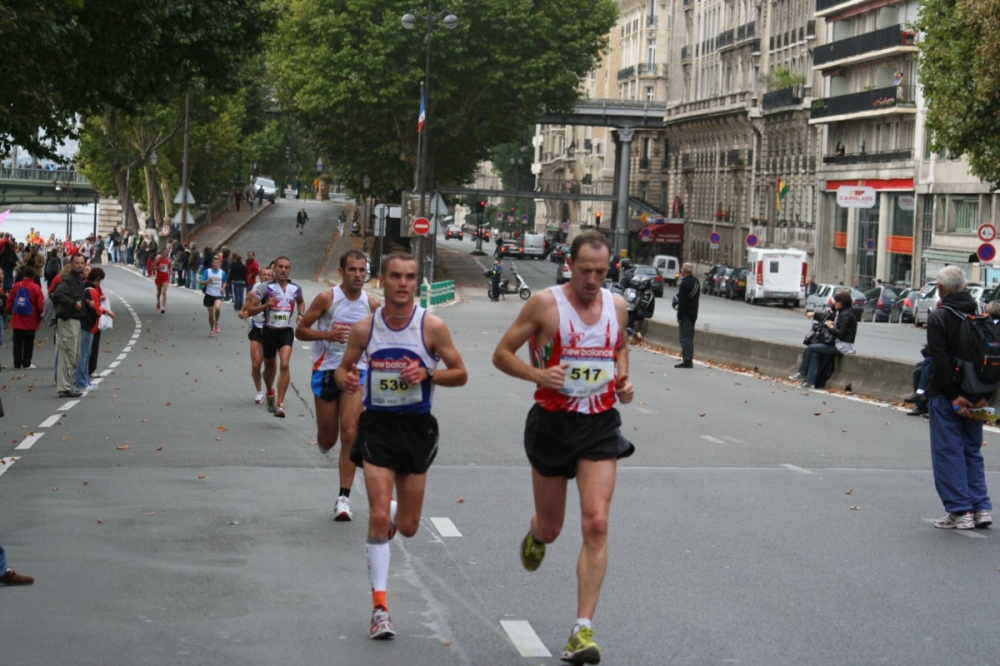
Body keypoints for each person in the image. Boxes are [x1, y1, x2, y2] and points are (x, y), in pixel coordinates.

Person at [492, 231, 634, 665]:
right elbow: (502, 354)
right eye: (585, 270)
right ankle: (537, 532)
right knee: (553, 528)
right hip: (552, 424)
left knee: (597, 522)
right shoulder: (544, 305)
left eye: (601, 272)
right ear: (569, 265)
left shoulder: (617, 306)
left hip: (599, 423)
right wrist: (538, 376)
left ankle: (581, 629)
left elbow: (620, 347)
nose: (592, 279)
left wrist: (623, 380)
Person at [334, 252, 467, 640]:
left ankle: (395, 511)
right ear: (383, 280)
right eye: (396, 276)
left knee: (407, 527)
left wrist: (427, 373)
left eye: (410, 277)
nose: (403, 283)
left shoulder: (432, 327)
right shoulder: (365, 329)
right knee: (377, 518)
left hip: (416, 428)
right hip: (377, 427)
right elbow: (344, 367)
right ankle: (380, 608)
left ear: (416, 282)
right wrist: (346, 379)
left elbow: (460, 373)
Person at [296, 250, 381, 521]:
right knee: (328, 439)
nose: (358, 274)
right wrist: (327, 334)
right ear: (342, 271)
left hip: (356, 373)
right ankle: (324, 439)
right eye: (352, 269)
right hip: (326, 371)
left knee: (351, 432)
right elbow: (300, 331)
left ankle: (343, 499)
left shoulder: (373, 304)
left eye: (362, 270)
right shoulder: (327, 298)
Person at [925, 266, 993, 530]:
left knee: (948, 452)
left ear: (940, 289)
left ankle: (960, 510)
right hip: (979, 394)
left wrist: (954, 396)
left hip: (948, 396)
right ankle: (981, 509)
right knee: (972, 451)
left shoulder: (940, 316)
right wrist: (986, 395)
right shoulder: (982, 313)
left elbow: (940, 360)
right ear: (965, 287)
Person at [243, 257, 304, 418]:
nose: (283, 270)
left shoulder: (296, 288)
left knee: (284, 364)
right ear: (275, 269)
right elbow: (250, 310)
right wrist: (266, 305)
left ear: (290, 270)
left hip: (286, 331)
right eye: (280, 267)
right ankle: (270, 392)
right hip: (269, 332)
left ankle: (280, 404)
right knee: (269, 369)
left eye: (286, 267)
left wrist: (301, 313)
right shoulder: (265, 288)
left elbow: (301, 301)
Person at [790, 289, 857, 389]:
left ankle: (803, 373)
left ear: (842, 302)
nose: (834, 303)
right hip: (838, 343)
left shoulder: (846, 314)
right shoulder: (842, 312)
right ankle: (810, 382)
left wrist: (831, 326)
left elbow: (841, 334)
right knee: (815, 354)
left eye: (836, 301)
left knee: (811, 348)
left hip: (842, 346)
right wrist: (832, 324)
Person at [50, 254, 89, 398]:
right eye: (77, 263)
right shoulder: (68, 279)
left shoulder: (78, 279)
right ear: (71, 264)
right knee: (67, 353)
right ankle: (65, 388)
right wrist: (73, 303)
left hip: (75, 319)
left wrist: (84, 303)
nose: (80, 265)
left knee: (74, 354)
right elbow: (57, 293)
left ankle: (67, 386)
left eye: (82, 263)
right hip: (68, 320)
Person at [239, 266, 274, 404]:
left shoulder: (277, 292)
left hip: (272, 330)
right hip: (257, 329)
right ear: (260, 276)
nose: (266, 277)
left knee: (270, 365)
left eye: (269, 275)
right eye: (264, 274)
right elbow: (242, 311)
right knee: (256, 364)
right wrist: (243, 314)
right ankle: (259, 391)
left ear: (272, 277)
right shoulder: (253, 293)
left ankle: (269, 389)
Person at [6, 266, 45, 369]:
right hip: (31, 318)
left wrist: (10, 312)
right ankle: (27, 363)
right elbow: (40, 305)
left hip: (17, 318)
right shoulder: (35, 287)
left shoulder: (16, 286)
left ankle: (17, 363)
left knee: (17, 342)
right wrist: (41, 314)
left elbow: (9, 302)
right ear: (33, 276)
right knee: (29, 342)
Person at [75, 266, 103, 392]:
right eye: (100, 281)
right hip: (89, 325)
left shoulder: (84, 287)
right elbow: (96, 311)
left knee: (85, 354)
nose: (100, 283)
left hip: (85, 324)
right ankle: (82, 382)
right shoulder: (92, 291)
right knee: (84, 355)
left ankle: (85, 380)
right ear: (97, 279)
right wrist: (101, 310)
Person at [675, 262, 700, 369]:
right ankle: (688, 358)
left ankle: (687, 360)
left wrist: (679, 317)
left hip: (686, 314)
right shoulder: (696, 282)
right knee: (689, 337)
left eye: (682, 269)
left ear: (684, 271)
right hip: (693, 313)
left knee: (684, 337)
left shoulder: (685, 283)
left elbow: (683, 302)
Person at [198, 255, 228, 337]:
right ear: (212, 263)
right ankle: (211, 329)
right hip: (209, 295)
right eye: (214, 263)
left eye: (217, 263)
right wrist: (208, 281)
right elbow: (201, 282)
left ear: (219, 264)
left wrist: (223, 288)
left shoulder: (222, 273)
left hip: (218, 294)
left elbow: (225, 282)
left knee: (217, 308)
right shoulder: (207, 272)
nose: (215, 264)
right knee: (211, 315)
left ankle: (216, 322)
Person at [153, 247, 171, 314]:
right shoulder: (157, 259)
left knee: (164, 292)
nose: (165, 253)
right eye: (163, 252)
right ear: (161, 253)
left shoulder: (169, 260)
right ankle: (158, 301)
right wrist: (158, 267)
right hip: (159, 277)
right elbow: (151, 268)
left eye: (166, 252)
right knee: (159, 293)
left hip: (165, 278)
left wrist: (171, 271)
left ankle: (163, 308)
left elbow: (170, 267)